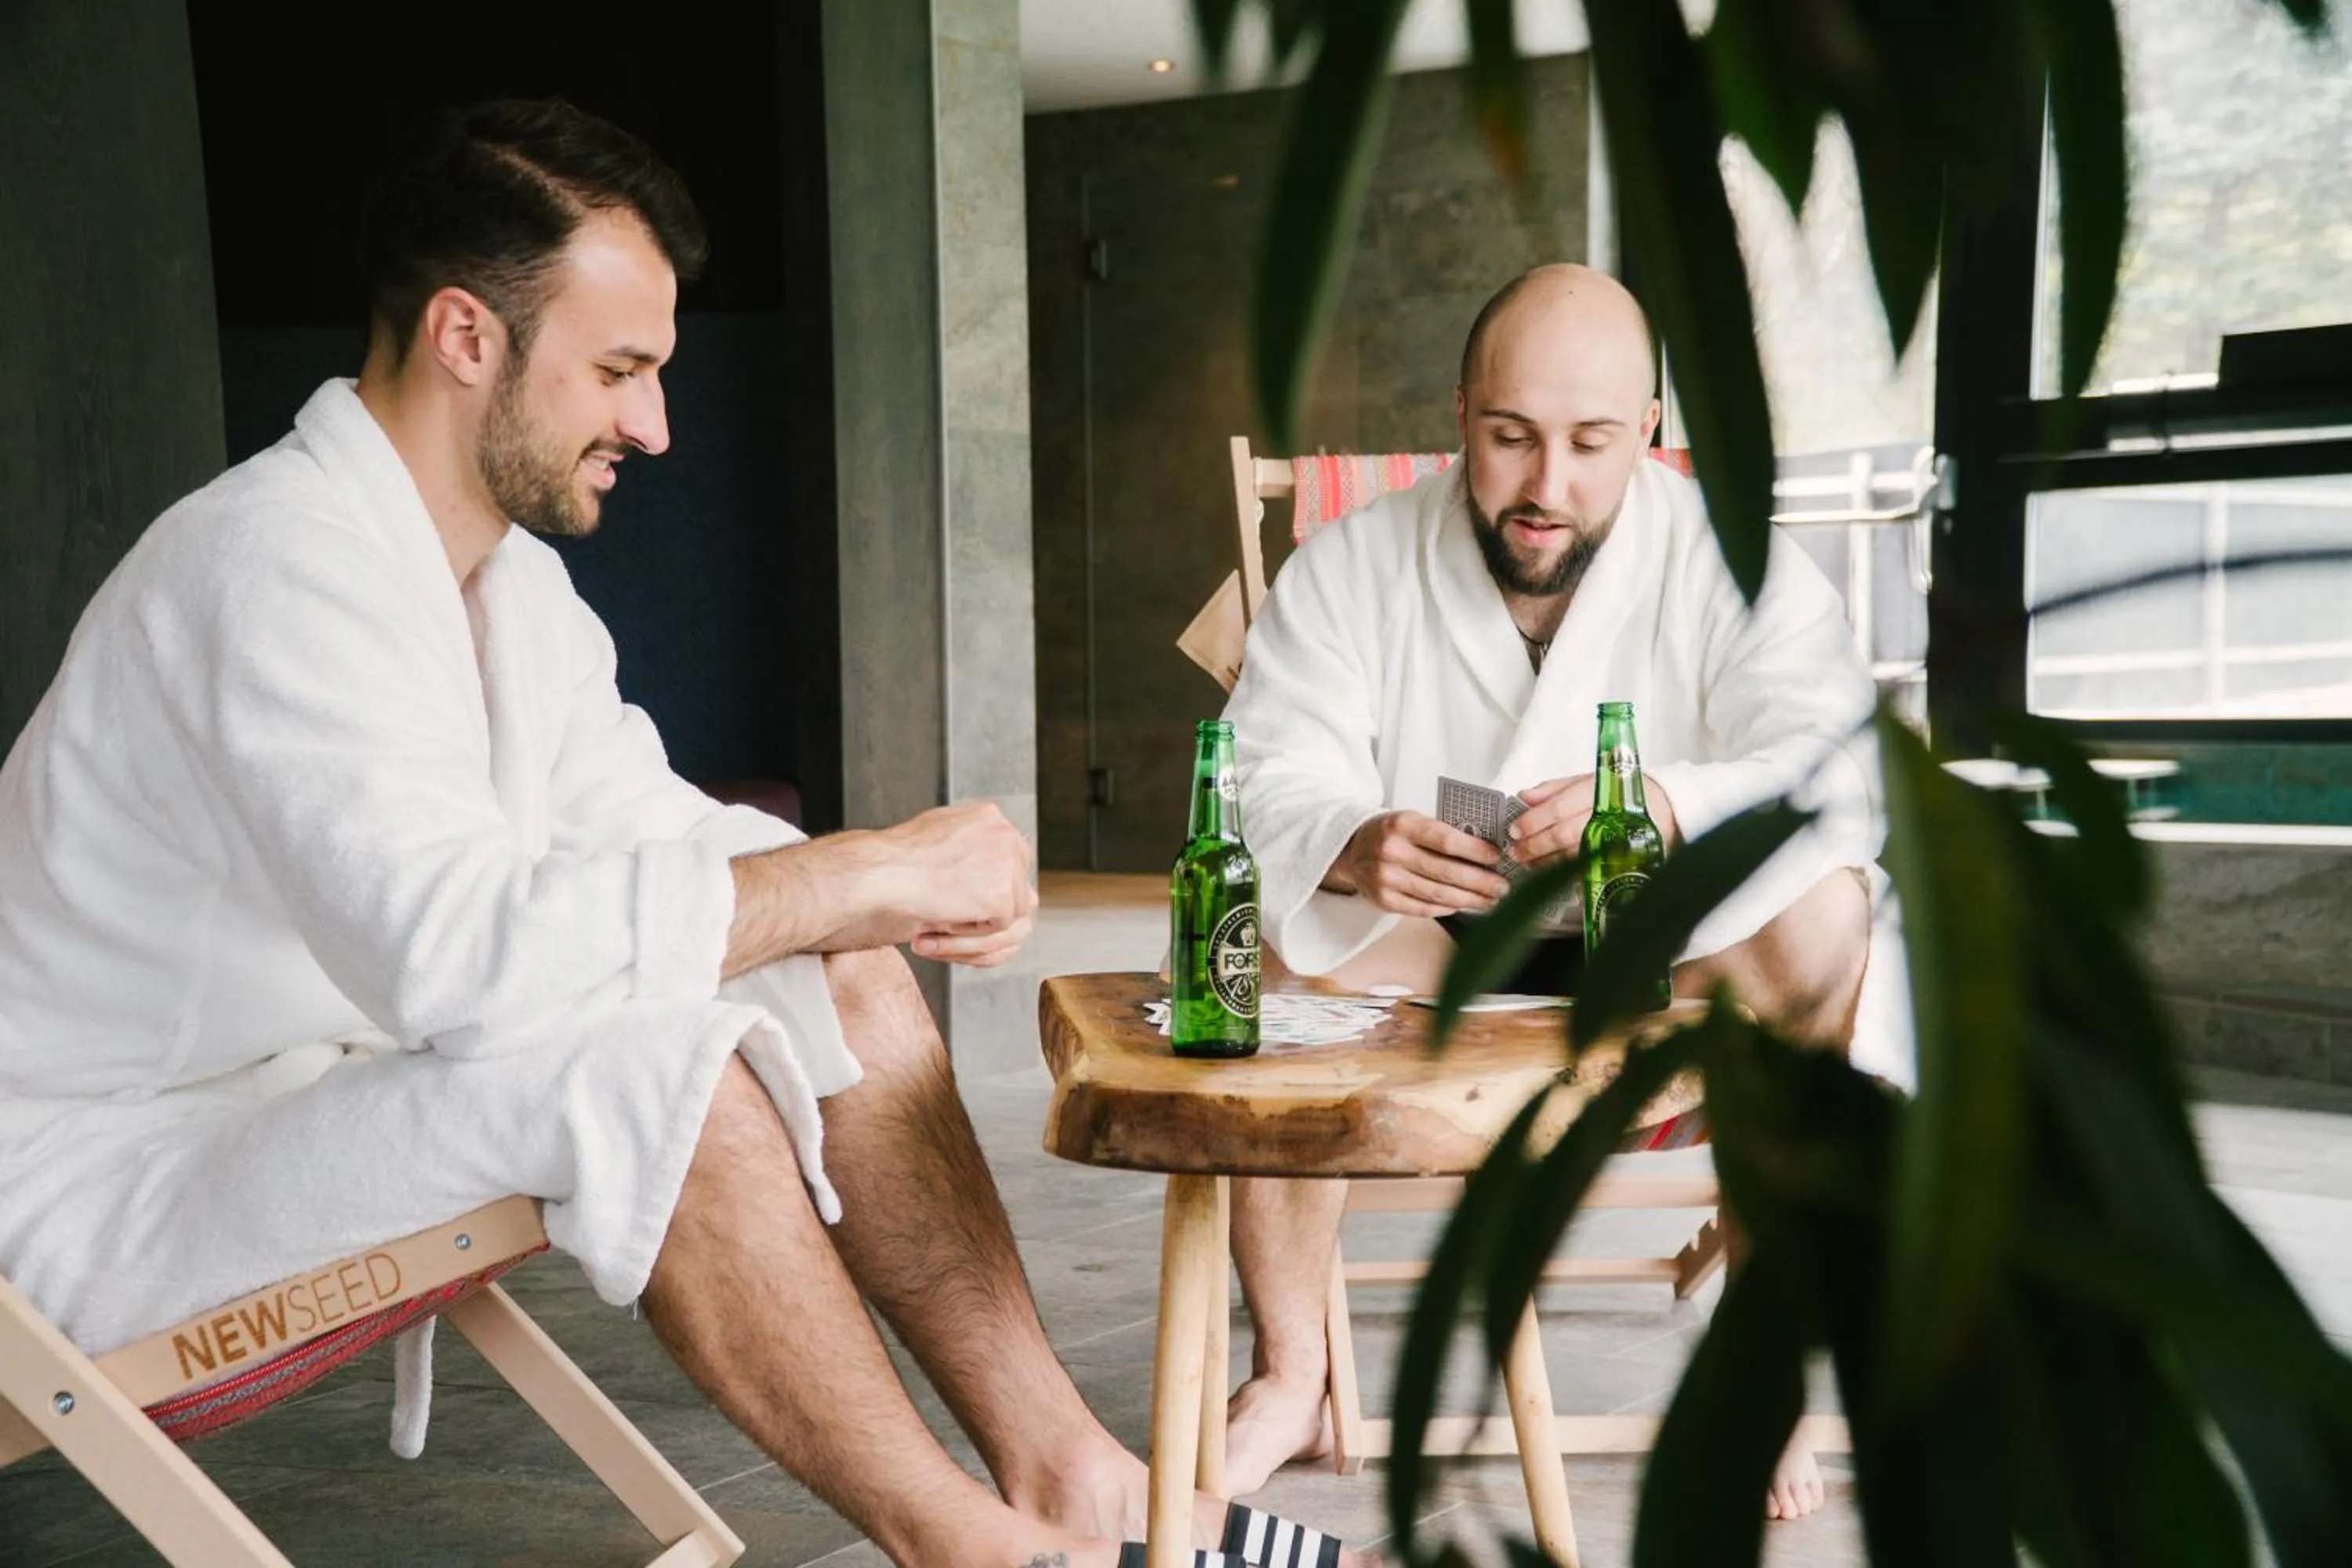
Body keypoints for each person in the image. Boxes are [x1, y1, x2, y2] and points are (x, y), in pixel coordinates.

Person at [0, 99, 1363, 1568]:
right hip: (98, 1168)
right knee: (678, 1078)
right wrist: (857, 869)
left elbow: (654, 829)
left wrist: (875, 897)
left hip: (311, 1088)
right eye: (620, 371)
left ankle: (1072, 1485)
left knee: (837, 968)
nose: (654, 425)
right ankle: (978, 1554)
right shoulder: (269, 564)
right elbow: (453, 963)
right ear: (468, 337)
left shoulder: (504, 588)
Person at [1216, 263, 1910, 1520]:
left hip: (1675, 941)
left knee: (1824, 917)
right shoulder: (1350, 565)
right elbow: (1272, 764)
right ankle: (1293, 1368)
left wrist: (1669, 805)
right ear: (1459, 412)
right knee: (1265, 955)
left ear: (1648, 431)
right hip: (1426, 942)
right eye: (1510, 438)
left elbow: (1838, 759)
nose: (1548, 488)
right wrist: (1348, 841)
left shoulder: (1729, 560)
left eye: (1592, 444)